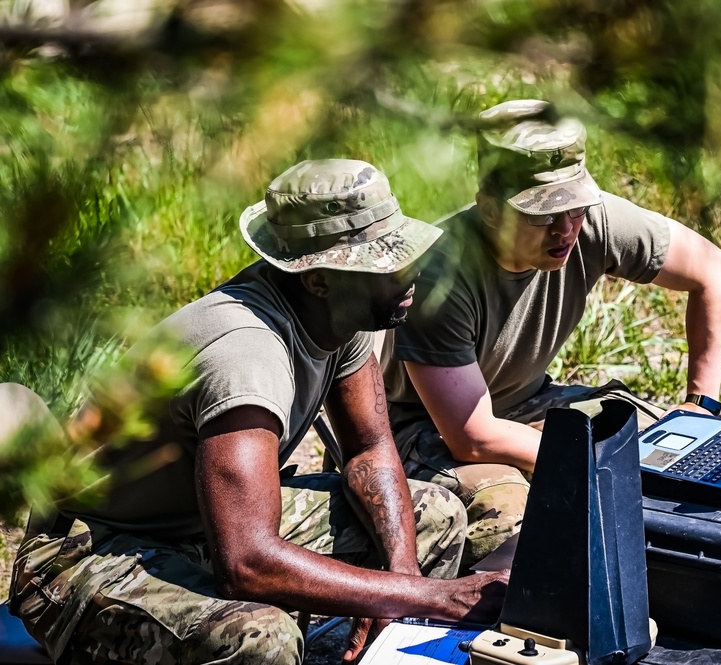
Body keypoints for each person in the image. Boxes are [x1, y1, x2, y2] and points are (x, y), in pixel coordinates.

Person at [6, 159, 507, 665]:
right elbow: (246, 563)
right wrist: (433, 597)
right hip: (90, 554)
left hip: (202, 527)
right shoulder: (245, 353)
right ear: (317, 279)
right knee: (260, 640)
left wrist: (401, 587)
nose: (411, 274)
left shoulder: (343, 315)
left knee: (434, 513)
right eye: (386, 265)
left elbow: (369, 452)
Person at [382, 100, 721, 565]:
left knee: (686, 452)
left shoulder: (592, 220)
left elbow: (713, 271)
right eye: (542, 213)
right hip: (420, 428)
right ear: (489, 209)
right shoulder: (440, 274)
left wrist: (700, 406)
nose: (565, 228)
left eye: (575, 208)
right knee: (511, 515)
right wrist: (596, 459)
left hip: (525, 401)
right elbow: (472, 438)